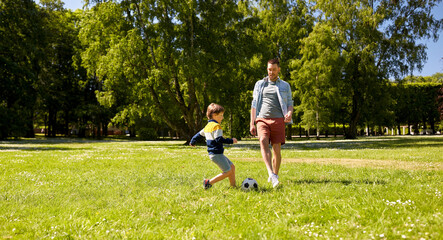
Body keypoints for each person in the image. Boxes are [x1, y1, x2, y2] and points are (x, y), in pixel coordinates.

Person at [250, 58, 294, 188]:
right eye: (269, 69)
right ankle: (271, 173)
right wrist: (252, 123)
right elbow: (253, 105)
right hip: (262, 118)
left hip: (278, 119)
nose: (271, 72)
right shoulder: (259, 84)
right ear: (267, 69)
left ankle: (275, 174)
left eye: (274, 70)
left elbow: (290, 103)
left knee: (276, 149)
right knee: (263, 140)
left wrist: (289, 113)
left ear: (279, 69)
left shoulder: (285, 85)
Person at [190, 103, 238, 189]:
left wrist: (192, 141)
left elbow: (198, 135)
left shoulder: (207, 126)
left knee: (232, 167)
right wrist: (231, 140)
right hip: (216, 154)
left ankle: (233, 186)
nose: (222, 117)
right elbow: (218, 139)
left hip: (215, 154)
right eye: (221, 115)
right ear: (214, 115)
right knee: (228, 171)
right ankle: (209, 182)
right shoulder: (216, 126)